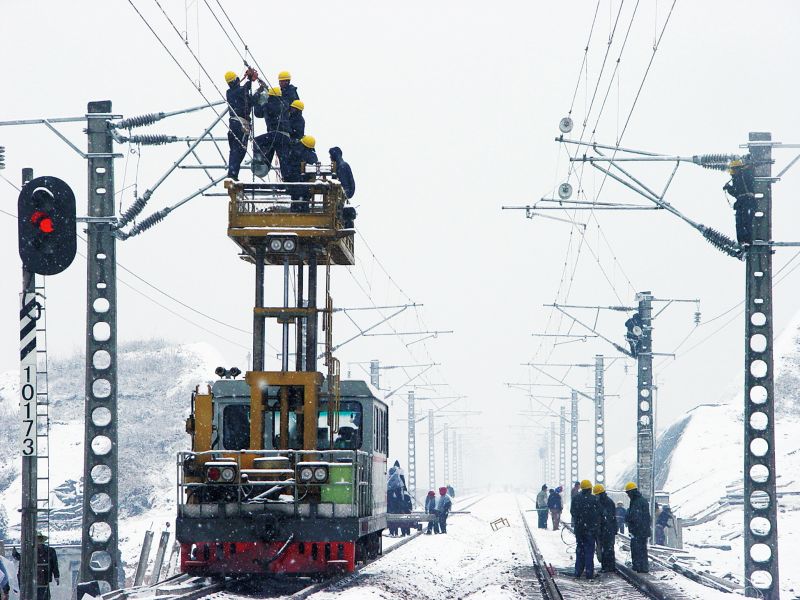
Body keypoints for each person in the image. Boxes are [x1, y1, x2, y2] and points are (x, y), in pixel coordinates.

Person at [224, 68, 256, 180]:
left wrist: (249, 79)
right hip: (241, 123)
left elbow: (247, 96)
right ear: (236, 79)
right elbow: (244, 89)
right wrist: (250, 79)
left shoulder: (230, 92)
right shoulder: (238, 91)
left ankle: (232, 173)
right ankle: (232, 174)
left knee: (234, 150)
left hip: (233, 124)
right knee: (240, 150)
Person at [252, 86, 286, 175]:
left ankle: (260, 162)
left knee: (257, 141)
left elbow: (258, 113)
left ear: (270, 96)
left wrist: (256, 98)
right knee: (283, 160)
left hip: (274, 134)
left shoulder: (268, 106)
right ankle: (286, 178)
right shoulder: (284, 105)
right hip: (285, 136)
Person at [723, 158, 756, 246]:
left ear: (739, 168)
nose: (733, 171)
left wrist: (747, 166)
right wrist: (729, 188)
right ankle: (742, 241)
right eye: (733, 169)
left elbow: (750, 172)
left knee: (746, 221)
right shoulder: (736, 178)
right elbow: (737, 193)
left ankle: (747, 241)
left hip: (747, 201)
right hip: (741, 202)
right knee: (739, 223)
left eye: (735, 169)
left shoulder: (745, 174)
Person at [570, 479, 599, 579]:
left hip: (580, 529)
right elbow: (599, 514)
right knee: (589, 551)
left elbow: (572, 512)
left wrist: (579, 520)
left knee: (580, 550)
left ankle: (578, 572)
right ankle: (589, 573)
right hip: (590, 530)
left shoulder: (576, 498)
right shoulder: (594, 499)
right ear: (590, 488)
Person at [624, 481, 651, 573]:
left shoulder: (636, 502)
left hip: (638, 530)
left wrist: (628, 518)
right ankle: (643, 567)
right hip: (643, 530)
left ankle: (638, 567)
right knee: (643, 549)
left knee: (636, 549)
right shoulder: (641, 500)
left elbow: (635, 517)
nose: (627, 495)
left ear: (631, 492)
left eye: (628, 493)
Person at [593, 484, 617, 573]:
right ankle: (610, 567)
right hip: (609, 529)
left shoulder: (603, 503)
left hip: (605, 529)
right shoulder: (609, 502)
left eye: (596, 495)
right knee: (609, 548)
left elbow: (604, 517)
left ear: (599, 494)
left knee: (605, 549)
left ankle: (606, 567)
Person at [35, 532, 59, 600]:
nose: (38, 541)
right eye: (37, 539)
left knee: (45, 596)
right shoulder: (31, 551)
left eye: (39, 539)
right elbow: (23, 560)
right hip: (34, 577)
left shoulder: (50, 550)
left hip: (45, 577)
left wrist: (56, 576)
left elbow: (54, 563)